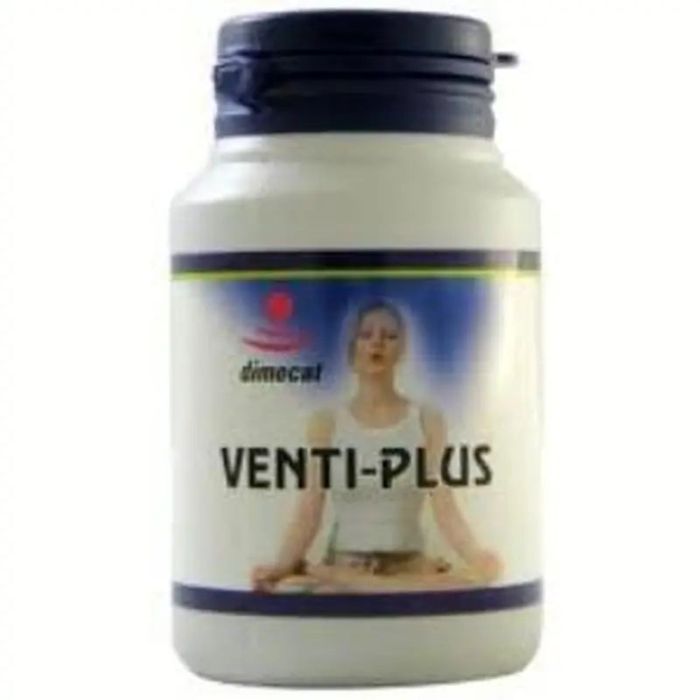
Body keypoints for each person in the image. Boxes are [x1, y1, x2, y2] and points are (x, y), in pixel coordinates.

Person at [251, 300, 501, 593]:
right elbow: (308, 511)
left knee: (461, 585)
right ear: (352, 346)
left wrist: (477, 558)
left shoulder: (426, 420)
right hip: (343, 571)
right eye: (366, 335)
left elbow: (445, 508)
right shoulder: (326, 422)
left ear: (402, 349)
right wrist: (280, 567)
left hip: (410, 573)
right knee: (292, 589)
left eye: (389, 336)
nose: (377, 343)